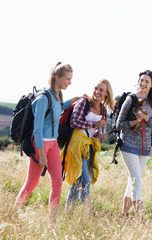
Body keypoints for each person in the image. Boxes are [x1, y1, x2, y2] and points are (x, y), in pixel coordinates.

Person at [15, 62, 83, 224]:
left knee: (58, 182)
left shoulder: (56, 95)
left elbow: (57, 109)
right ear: (56, 77)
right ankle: (15, 213)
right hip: (41, 144)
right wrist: (42, 154)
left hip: (52, 143)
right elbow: (38, 129)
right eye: (67, 79)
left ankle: (52, 222)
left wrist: (72, 100)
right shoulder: (43, 99)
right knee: (32, 182)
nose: (70, 82)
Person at [63, 79, 114, 213]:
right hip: (77, 145)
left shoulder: (103, 110)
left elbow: (96, 131)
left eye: (101, 90)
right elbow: (74, 122)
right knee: (84, 181)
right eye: (96, 88)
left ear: (106, 94)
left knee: (77, 182)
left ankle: (66, 214)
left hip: (89, 146)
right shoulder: (84, 103)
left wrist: (100, 134)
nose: (97, 92)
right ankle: (90, 214)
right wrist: (94, 125)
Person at [116, 70, 152, 221]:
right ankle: (140, 218)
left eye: (147, 82)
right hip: (128, 145)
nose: (143, 84)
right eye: (141, 80)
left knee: (133, 180)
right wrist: (135, 121)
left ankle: (125, 215)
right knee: (137, 180)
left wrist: (146, 118)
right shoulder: (131, 99)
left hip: (145, 147)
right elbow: (119, 124)